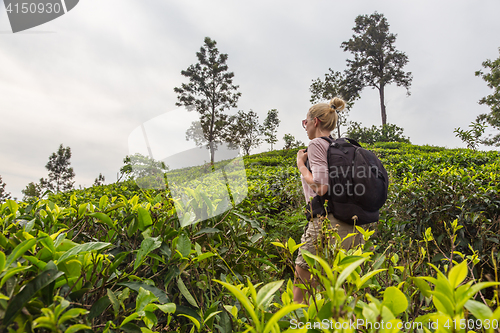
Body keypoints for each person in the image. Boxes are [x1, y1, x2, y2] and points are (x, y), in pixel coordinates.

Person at [294, 97, 364, 304]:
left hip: (327, 223)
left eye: (305, 122)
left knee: (301, 292)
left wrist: (300, 164)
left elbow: (321, 186)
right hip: (352, 224)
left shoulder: (316, 144)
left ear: (315, 122)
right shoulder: (339, 147)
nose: (305, 127)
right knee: (342, 296)